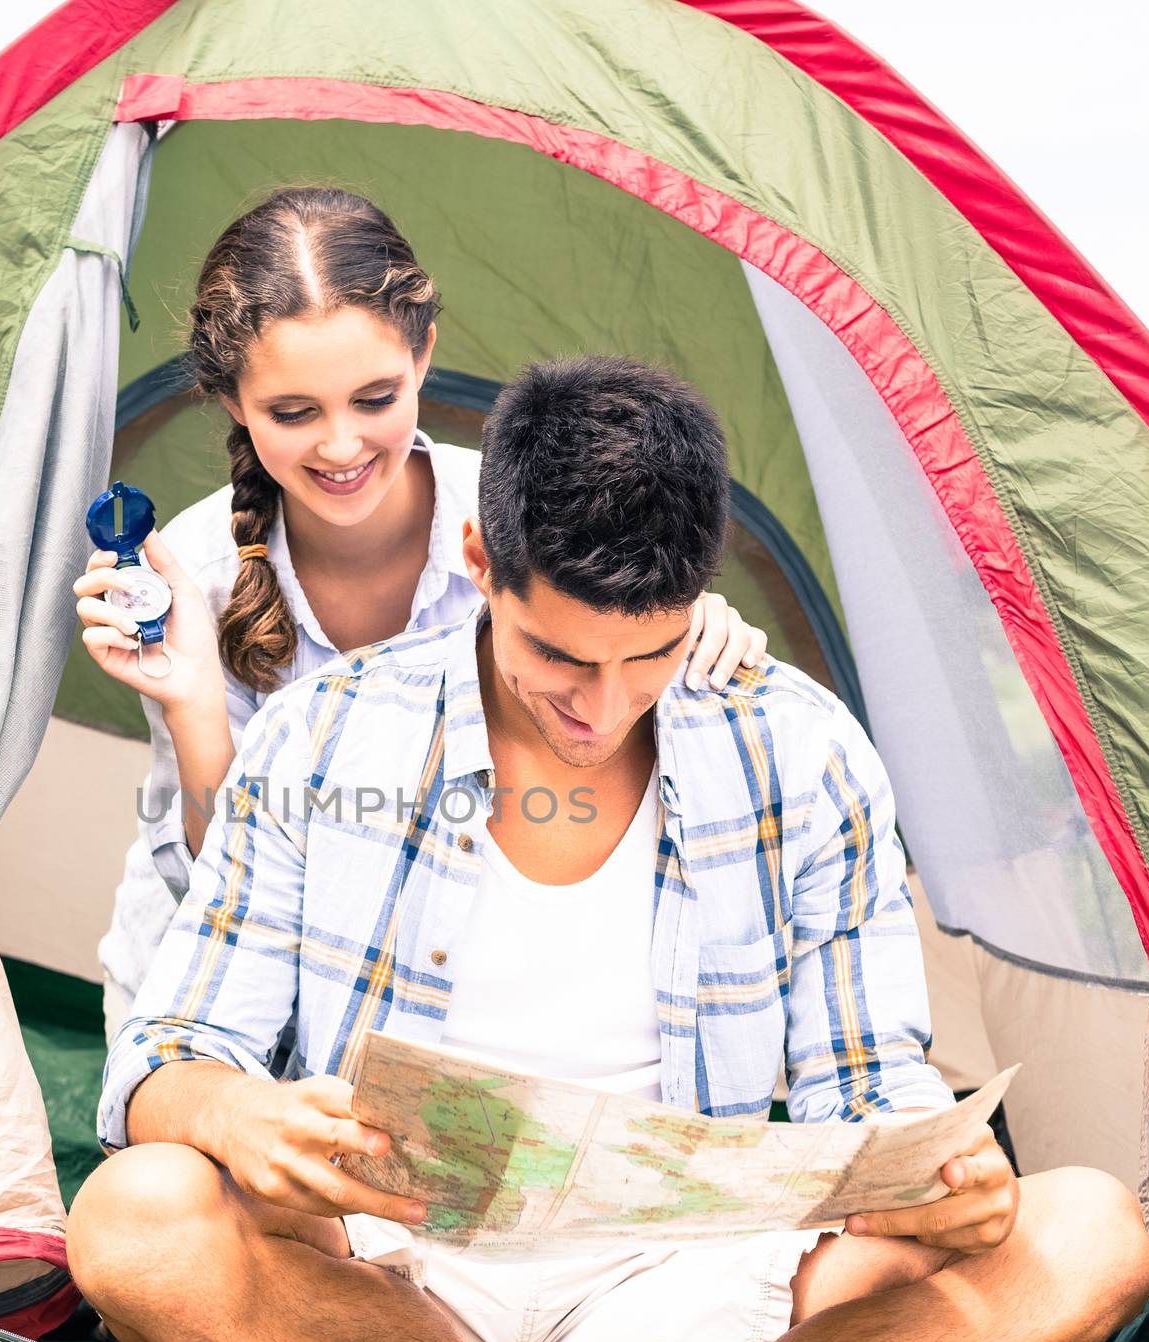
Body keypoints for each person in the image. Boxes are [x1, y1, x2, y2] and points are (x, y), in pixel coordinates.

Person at [68, 354, 1149, 1342]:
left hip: (694, 1276)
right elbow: (162, 1058)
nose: (601, 706)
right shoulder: (328, 735)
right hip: (395, 1275)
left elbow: (873, 1083)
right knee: (136, 1218)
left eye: (647, 655)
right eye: (558, 656)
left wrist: (932, 1177)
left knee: (1084, 1232)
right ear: (479, 561)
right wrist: (234, 1112)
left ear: (698, 594)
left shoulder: (801, 749)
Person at [75, 188, 766, 1040]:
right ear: (231, 402)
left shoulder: (527, 524)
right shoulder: (195, 573)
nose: (340, 447)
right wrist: (192, 704)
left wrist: (664, 628)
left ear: (424, 354)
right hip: (220, 1008)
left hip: (443, 1007)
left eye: (375, 399)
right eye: (293, 413)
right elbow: (223, 890)